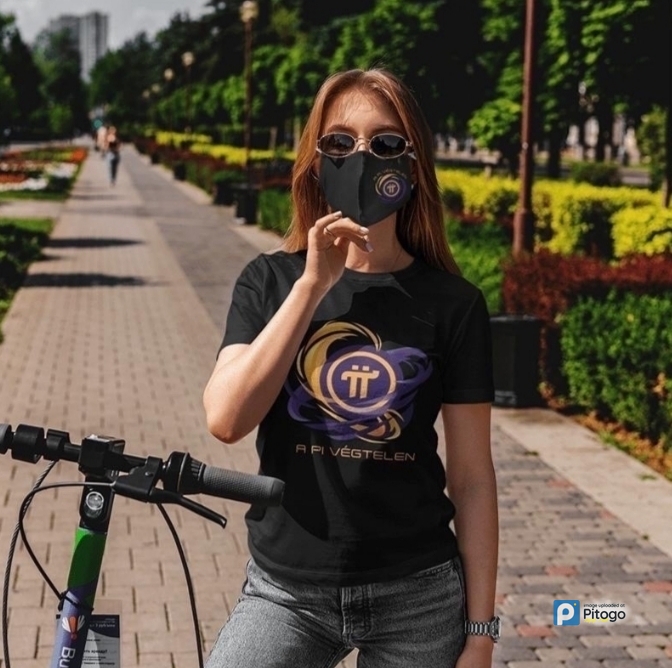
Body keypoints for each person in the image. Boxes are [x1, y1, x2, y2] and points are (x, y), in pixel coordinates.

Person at [203, 67, 499, 668]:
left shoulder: (454, 303)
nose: (361, 158)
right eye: (340, 142)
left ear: (412, 167)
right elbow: (226, 419)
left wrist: (481, 632)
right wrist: (313, 285)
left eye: (385, 143)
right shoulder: (270, 281)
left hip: (418, 593)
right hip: (287, 591)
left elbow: (472, 477)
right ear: (315, 162)